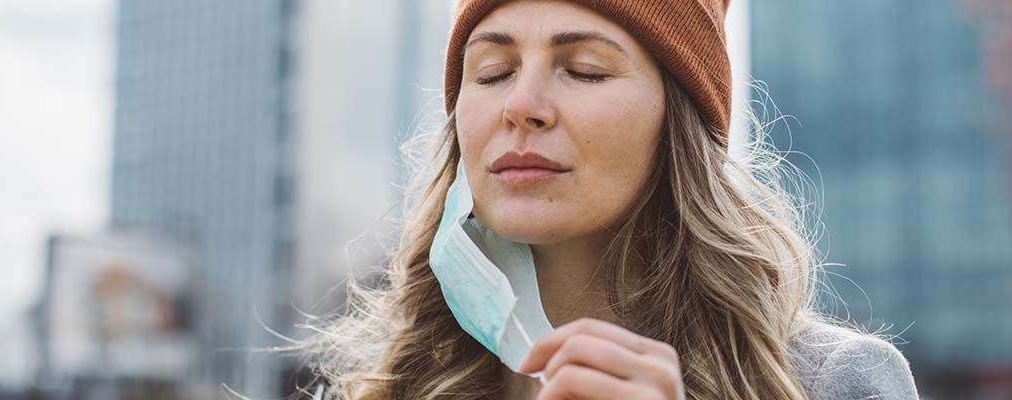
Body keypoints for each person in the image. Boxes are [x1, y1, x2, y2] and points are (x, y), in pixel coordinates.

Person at [296, 0, 920, 398]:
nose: (521, 105)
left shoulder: (832, 383)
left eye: (585, 70)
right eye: (492, 73)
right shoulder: (382, 387)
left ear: (677, 123)